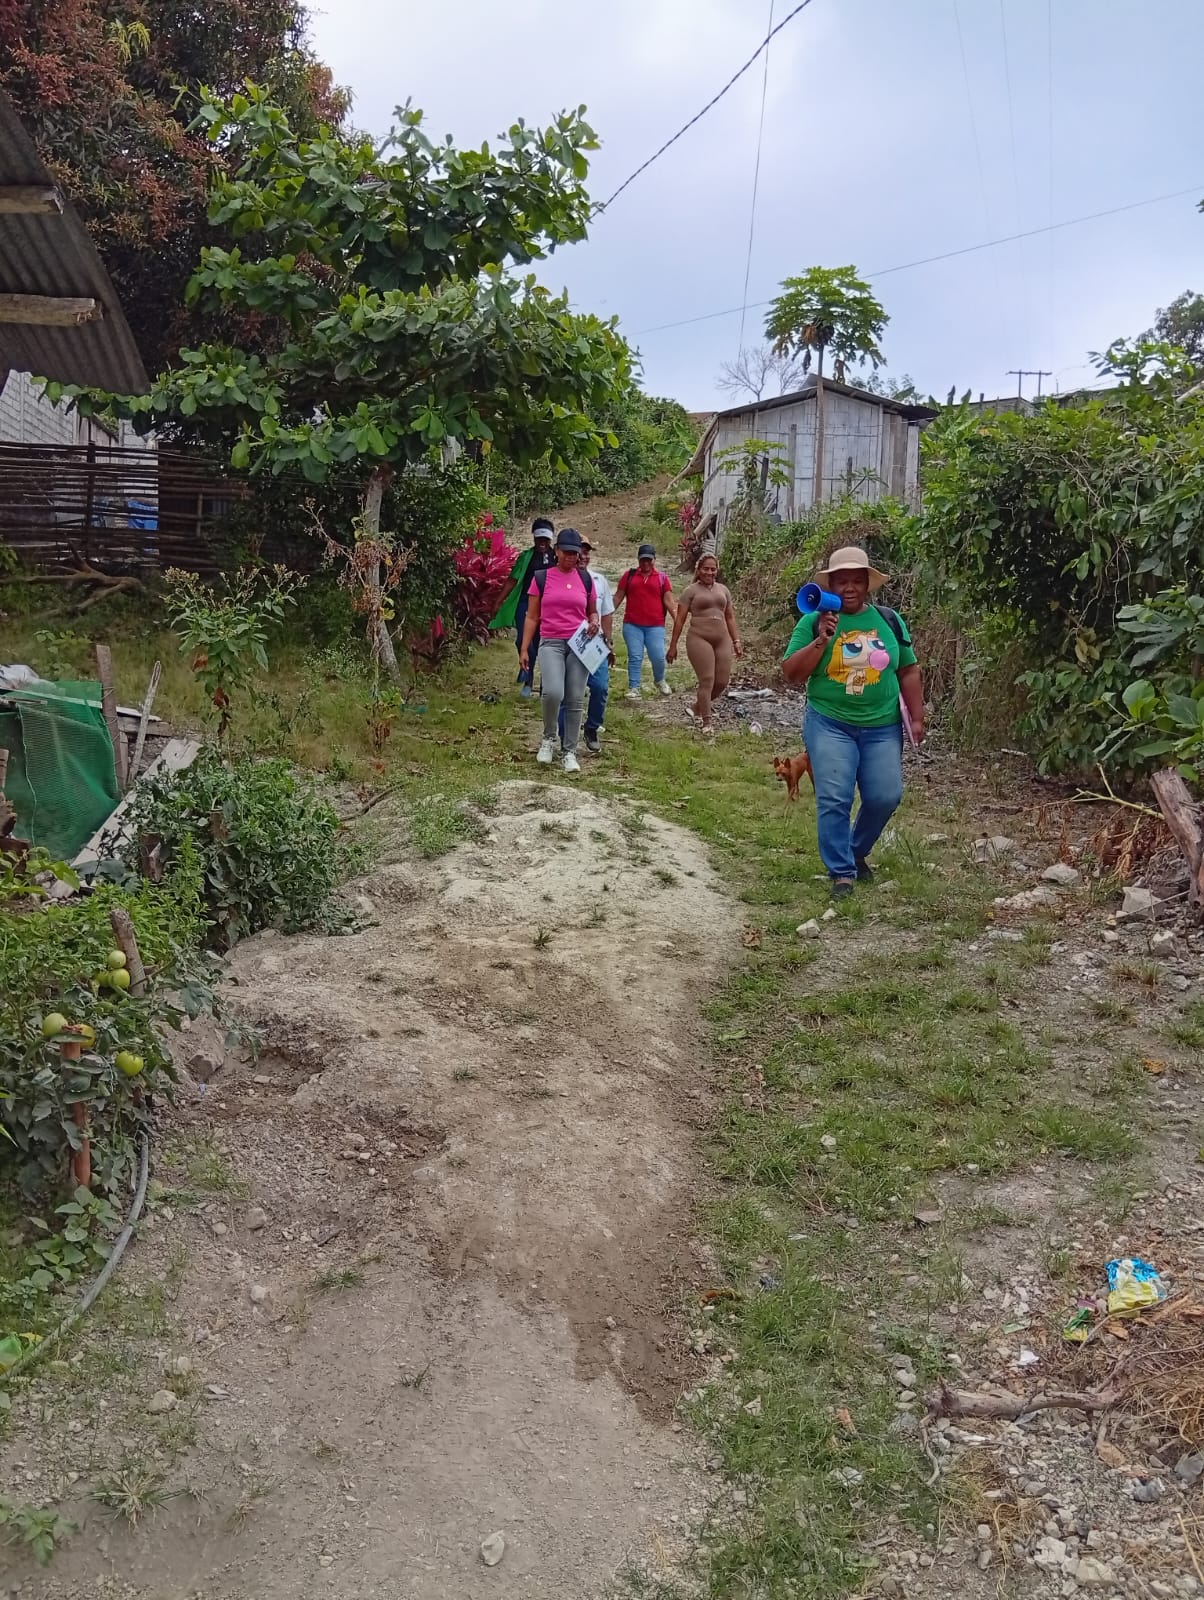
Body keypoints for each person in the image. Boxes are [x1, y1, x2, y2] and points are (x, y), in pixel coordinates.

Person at [782, 545, 925, 900]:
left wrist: (917, 717)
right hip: (830, 723)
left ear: (867, 584)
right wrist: (821, 640)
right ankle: (842, 872)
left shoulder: (888, 620)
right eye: (841, 581)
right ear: (830, 586)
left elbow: (908, 670)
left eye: (857, 581)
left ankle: (855, 849)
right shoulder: (812, 621)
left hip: (882, 726)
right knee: (835, 796)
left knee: (885, 795)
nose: (849, 588)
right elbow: (792, 673)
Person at [519, 527, 600, 774]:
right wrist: (524, 648)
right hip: (551, 641)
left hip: (579, 643)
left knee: (575, 697)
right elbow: (532, 616)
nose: (571, 557)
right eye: (566, 552)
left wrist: (594, 621)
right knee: (553, 691)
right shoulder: (542, 578)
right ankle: (548, 738)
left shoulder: (585, 579)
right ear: (557, 551)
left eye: (575, 553)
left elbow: (592, 611)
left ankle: (569, 751)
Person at [666, 553, 743, 734]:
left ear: (717, 570)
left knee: (722, 682)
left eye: (713, 569)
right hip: (699, 638)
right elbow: (680, 619)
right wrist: (673, 645)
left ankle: (697, 707)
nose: (709, 572)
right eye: (705, 569)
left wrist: (736, 640)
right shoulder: (690, 591)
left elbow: (730, 617)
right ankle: (706, 722)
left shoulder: (723, 590)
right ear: (699, 570)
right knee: (707, 680)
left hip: (722, 639)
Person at [558, 537, 615, 755]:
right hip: (567, 642)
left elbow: (606, 613)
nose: (583, 556)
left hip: (593, 643)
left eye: (587, 552)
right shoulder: (559, 579)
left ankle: (592, 727)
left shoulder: (598, 580)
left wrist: (608, 641)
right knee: (568, 693)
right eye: (579, 552)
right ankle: (565, 737)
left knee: (600, 686)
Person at [490, 516, 555, 696]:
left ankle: (544, 683)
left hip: (548, 605)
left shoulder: (557, 557)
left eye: (545, 539)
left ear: (550, 539)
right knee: (523, 641)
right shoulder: (526, 557)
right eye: (539, 538)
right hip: (526, 602)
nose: (542, 542)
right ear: (534, 537)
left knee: (544, 644)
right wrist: (499, 601)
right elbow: (513, 580)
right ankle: (528, 676)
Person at [614, 543, 676, 700]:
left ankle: (659, 680)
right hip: (632, 625)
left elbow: (669, 602)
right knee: (635, 656)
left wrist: (678, 619)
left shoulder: (662, 579)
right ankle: (634, 687)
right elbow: (618, 597)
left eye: (649, 560)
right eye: (643, 560)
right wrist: (605, 614)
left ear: (654, 559)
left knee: (658, 656)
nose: (646, 563)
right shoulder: (629, 576)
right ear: (638, 560)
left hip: (655, 626)